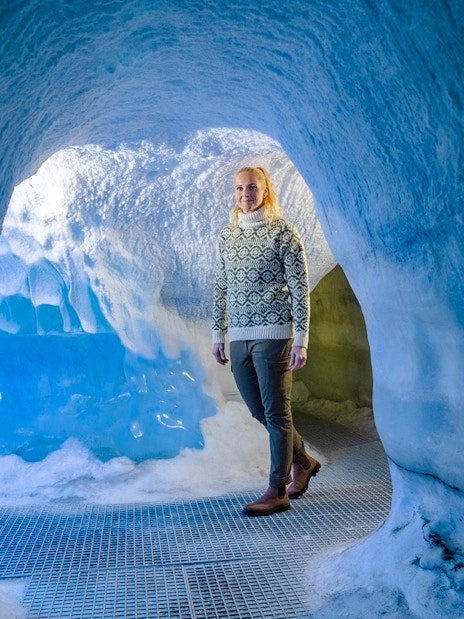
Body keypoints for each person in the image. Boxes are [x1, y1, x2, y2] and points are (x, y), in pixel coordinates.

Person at [212, 165, 321, 517]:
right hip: (239, 337)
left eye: (252, 187)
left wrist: (301, 339)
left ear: (266, 191)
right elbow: (221, 287)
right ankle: (302, 459)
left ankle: (277, 489)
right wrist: (219, 333)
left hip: (274, 333)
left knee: (277, 411)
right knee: (260, 411)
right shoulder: (228, 236)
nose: (246, 194)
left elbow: (300, 289)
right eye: (240, 188)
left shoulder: (283, 233)